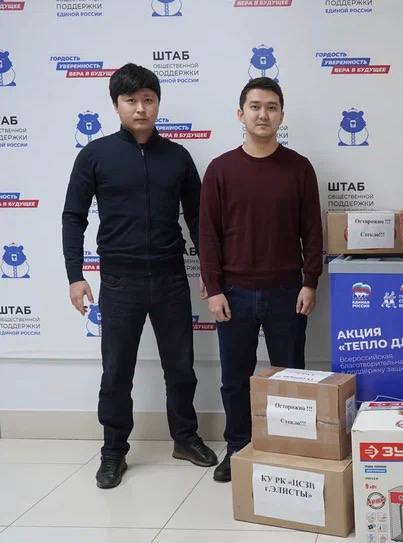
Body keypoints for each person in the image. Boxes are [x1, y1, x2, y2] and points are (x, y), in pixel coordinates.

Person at [62, 63, 217, 489]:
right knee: (116, 372)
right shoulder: (95, 155)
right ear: (116, 105)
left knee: (181, 368)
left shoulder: (178, 157)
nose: (141, 108)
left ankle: (185, 438)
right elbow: (73, 216)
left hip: (170, 279)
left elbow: (198, 218)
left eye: (148, 99)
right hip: (119, 282)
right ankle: (113, 451)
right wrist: (75, 275)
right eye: (131, 100)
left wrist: (209, 270)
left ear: (158, 103)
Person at [199, 77, 323, 482]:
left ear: (282, 115)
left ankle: (291, 448)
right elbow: (208, 235)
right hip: (233, 293)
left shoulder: (299, 168)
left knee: (291, 378)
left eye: (271, 107)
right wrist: (213, 288)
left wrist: (310, 281)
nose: (263, 114)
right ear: (241, 113)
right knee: (236, 380)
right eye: (255, 106)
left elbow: (313, 230)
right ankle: (237, 447)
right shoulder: (220, 170)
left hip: (288, 292)